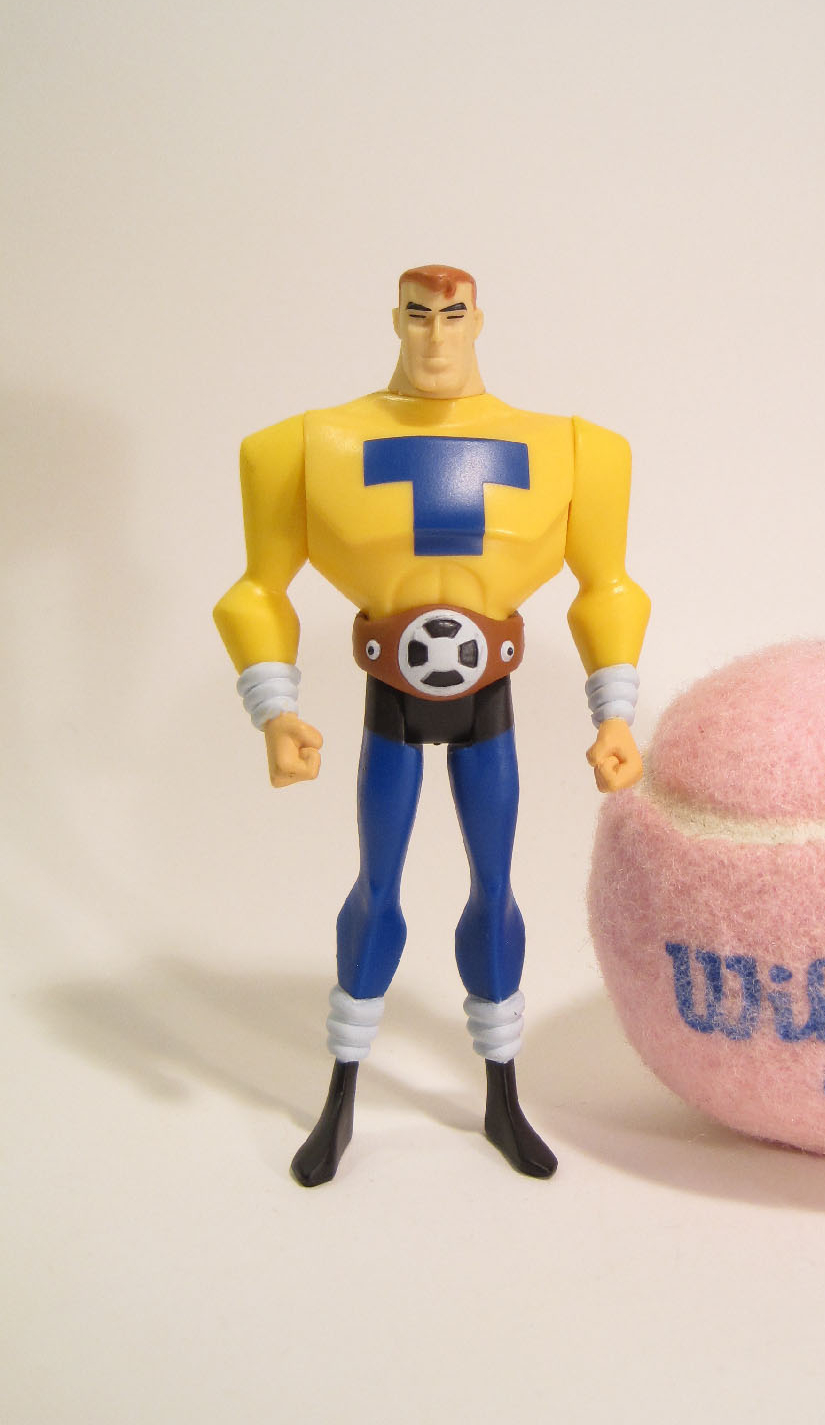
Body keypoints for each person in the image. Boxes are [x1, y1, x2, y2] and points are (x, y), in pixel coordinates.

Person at [214, 263, 649, 1186]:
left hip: (490, 702)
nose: (437, 336)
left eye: (453, 315)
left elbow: (606, 587)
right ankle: (342, 1090)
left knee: (495, 887)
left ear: (478, 319)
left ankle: (502, 1092)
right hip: (390, 703)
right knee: (377, 889)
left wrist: (614, 713)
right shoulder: (302, 446)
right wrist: (275, 709)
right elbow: (257, 591)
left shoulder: (576, 449)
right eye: (420, 315)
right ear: (397, 320)